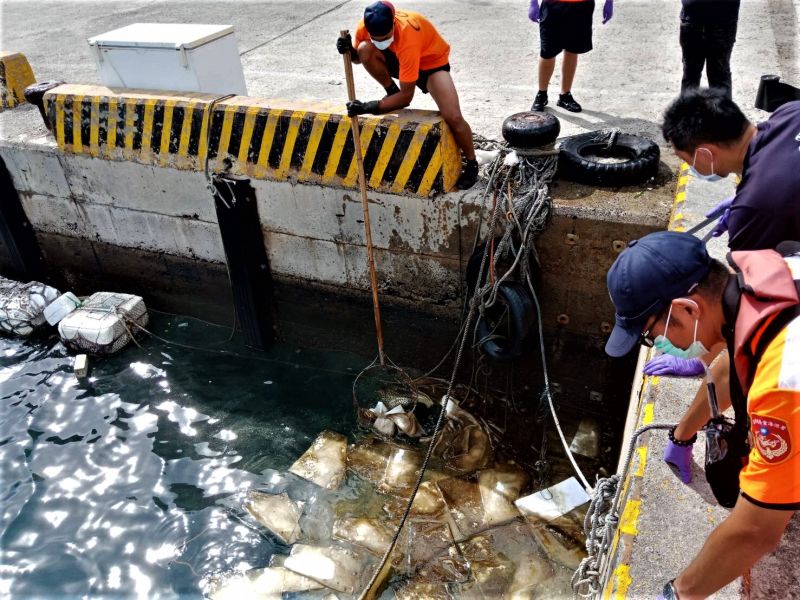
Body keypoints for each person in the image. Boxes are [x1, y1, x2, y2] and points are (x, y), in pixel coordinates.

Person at [605, 231, 800, 599]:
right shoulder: (767, 277)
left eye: (651, 334)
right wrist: (683, 435)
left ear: (688, 309)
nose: (659, 345)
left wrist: (679, 593)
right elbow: (734, 361)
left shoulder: (783, 380)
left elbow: (756, 530)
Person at [650, 89, 800, 476]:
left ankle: (681, 440)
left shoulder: (755, 213)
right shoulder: (789, 113)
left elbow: (739, 324)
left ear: (705, 153)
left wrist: (700, 359)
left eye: (686, 160)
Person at [336, 1, 479, 190]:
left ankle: (472, 163)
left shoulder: (407, 37)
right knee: (364, 48)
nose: (380, 41)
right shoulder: (364, 26)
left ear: (393, 24)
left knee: (453, 116)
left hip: (430, 64)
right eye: (376, 38)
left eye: (385, 37)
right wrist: (349, 51)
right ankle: (390, 91)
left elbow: (406, 98)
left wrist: (369, 107)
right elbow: (359, 58)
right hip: (397, 57)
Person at [528, 0, 614, 113]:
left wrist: (609, 2)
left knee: (572, 49)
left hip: (582, 5)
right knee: (547, 51)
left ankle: (565, 95)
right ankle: (542, 94)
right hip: (552, 5)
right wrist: (533, 3)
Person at [678, 0, 740, 99]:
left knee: (692, 76)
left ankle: (688, 113)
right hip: (719, 18)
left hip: (699, 17)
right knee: (718, 77)